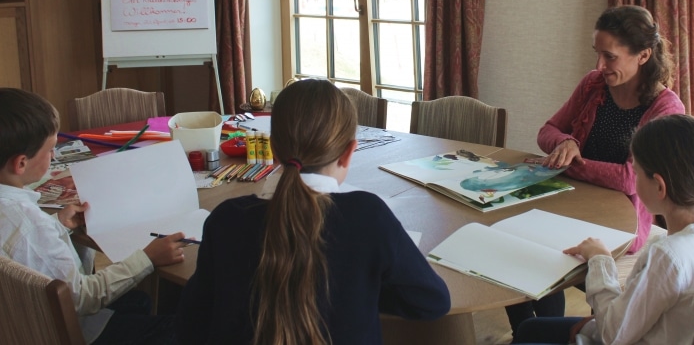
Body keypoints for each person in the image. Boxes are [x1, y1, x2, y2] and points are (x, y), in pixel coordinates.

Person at [176, 79, 451, 345]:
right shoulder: (368, 216)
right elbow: (432, 302)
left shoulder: (227, 219)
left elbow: (193, 324)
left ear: (272, 150)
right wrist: (362, 290)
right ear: (348, 153)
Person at [506, 5, 685, 335]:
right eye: (597, 54)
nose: (599, 66)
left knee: (532, 253)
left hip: (622, 223)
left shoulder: (665, 107)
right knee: (507, 242)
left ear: (643, 55)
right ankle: (535, 331)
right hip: (572, 203)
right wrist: (566, 142)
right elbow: (547, 130)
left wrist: (573, 163)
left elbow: (630, 179)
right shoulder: (593, 84)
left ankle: (537, 333)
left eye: (610, 57)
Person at [512, 114, 694, 344]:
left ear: (659, 186)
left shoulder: (668, 256)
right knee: (529, 329)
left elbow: (613, 334)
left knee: (528, 333)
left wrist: (600, 260)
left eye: (636, 172)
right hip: (655, 332)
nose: (634, 180)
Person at [0, 87, 187, 345]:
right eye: (51, 149)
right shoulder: (31, 225)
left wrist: (59, 226)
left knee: (138, 301)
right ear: (20, 163)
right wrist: (148, 257)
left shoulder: (19, 218)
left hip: (19, 324)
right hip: (71, 331)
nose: (54, 156)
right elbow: (82, 298)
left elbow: (22, 246)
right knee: (183, 325)